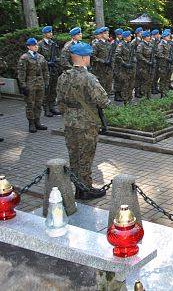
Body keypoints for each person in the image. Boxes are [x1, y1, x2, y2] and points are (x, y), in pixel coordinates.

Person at [56, 42, 110, 200]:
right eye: (89, 56)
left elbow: (59, 101)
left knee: (74, 156)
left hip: (69, 122)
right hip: (86, 124)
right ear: (83, 57)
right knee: (86, 157)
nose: (90, 58)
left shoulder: (63, 76)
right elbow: (103, 100)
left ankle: (78, 188)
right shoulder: (88, 77)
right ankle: (85, 189)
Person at [18, 38, 49, 133]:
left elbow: (45, 71)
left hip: (40, 83)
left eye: (37, 45)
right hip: (30, 83)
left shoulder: (41, 57)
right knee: (30, 104)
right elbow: (21, 73)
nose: (36, 46)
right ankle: (31, 123)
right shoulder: (24, 58)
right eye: (34, 45)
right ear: (28, 46)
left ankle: (37, 122)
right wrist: (23, 85)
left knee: (39, 103)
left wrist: (46, 82)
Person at [38, 26, 62, 117]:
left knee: (53, 89)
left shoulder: (53, 44)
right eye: (49, 32)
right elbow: (38, 58)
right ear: (44, 34)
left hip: (53, 70)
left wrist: (56, 61)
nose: (51, 34)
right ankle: (46, 109)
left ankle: (52, 107)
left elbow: (58, 55)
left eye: (51, 32)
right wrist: (47, 63)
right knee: (46, 90)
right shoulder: (40, 44)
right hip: (45, 71)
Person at [113, 30, 136, 104]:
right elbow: (117, 56)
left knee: (131, 84)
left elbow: (133, 55)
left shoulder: (131, 45)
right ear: (125, 37)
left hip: (131, 68)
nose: (130, 37)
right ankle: (125, 101)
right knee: (125, 84)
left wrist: (134, 61)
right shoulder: (121, 45)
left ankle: (130, 99)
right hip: (124, 68)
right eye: (129, 36)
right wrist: (124, 63)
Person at [91, 27, 114, 94]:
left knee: (108, 86)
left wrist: (111, 63)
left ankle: (108, 102)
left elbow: (111, 55)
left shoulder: (109, 44)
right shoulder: (96, 44)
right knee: (101, 87)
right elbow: (92, 56)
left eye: (108, 33)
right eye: (106, 33)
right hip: (100, 70)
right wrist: (102, 61)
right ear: (101, 35)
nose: (108, 35)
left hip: (108, 69)